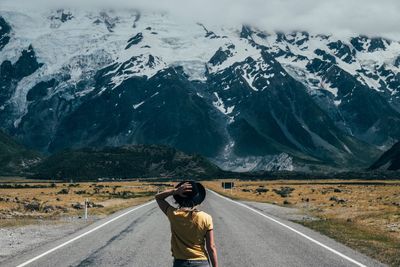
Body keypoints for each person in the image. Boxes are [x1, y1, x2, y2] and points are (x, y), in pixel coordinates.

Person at [155, 181, 218, 267]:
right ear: (197, 200)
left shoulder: (173, 214)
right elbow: (211, 247)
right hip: (201, 262)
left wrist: (175, 191)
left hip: (180, 263)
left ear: (179, 199)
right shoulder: (206, 217)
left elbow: (158, 197)